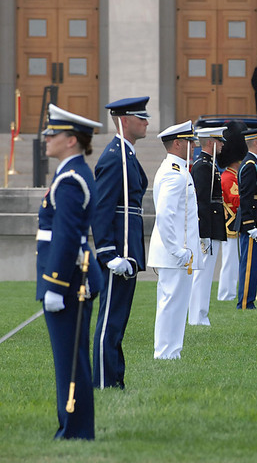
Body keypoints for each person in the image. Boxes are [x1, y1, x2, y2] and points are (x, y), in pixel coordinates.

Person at [37, 104, 102, 440]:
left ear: (72, 140)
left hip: (68, 282)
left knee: (70, 361)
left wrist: (54, 285)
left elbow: (65, 237)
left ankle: (75, 430)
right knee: (69, 358)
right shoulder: (69, 174)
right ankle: (72, 426)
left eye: (54, 133)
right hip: (70, 280)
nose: (47, 138)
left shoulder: (72, 179)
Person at [92, 96, 150, 390]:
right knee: (110, 320)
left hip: (129, 251)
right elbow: (101, 209)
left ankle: (114, 378)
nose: (146, 122)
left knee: (118, 320)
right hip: (118, 252)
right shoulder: (115, 156)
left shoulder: (127, 155)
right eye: (141, 118)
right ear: (124, 121)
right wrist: (108, 253)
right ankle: (103, 380)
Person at [148, 120, 200, 360]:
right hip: (175, 253)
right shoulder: (173, 173)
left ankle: (171, 351)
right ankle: (165, 352)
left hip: (178, 252)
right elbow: (165, 216)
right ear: (178, 143)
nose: (193, 145)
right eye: (189, 141)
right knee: (171, 304)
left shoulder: (178, 169)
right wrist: (177, 250)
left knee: (176, 304)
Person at [188, 124, 228, 325]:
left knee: (206, 273)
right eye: (219, 141)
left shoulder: (209, 164)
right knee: (202, 274)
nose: (222, 145)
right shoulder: (203, 165)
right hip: (208, 227)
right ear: (211, 142)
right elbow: (201, 201)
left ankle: (200, 314)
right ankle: (197, 316)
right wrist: (203, 232)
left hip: (213, 226)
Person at [236, 126, 257, 310]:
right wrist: (249, 224)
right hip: (252, 219)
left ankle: (249, 300)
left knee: (253, 262)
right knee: (249, 264)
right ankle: (245, 303)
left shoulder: (254, 163)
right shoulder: (250, 165)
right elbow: (246, 196)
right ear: (256, 142)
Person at [216, 120, 248, 301]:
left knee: (235, 261)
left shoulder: (234, 175)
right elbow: (236, 201)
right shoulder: (228, 177)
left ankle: (230, 292)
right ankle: (226, 294)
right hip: (231, 227)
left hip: (236, 226)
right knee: (230, 262)